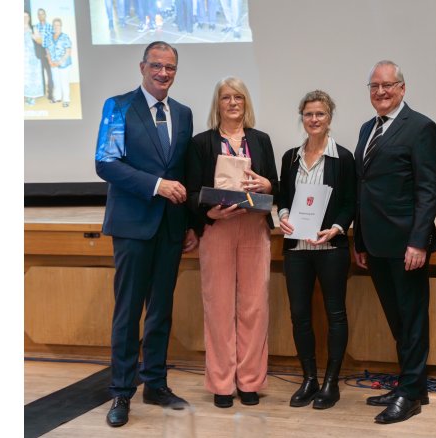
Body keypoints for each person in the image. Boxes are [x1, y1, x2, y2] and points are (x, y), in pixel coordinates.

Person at [95, 41, 198, 428]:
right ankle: (121, 390)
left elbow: (184, 175)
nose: (163, 73)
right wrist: (156, 185)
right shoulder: (118, 106)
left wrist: (189, 225)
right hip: (132, 227)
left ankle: (155, 383)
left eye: (170, 67)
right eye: (156, 65)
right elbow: (105, 162)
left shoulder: (184, 114)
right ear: (142, 67)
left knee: (161, 311)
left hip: (170, 229)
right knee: (128, 312)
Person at [353, 60, 436, 424]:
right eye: (374, 86)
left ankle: (410, 394)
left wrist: (418, 242)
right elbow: (364, 188)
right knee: (397, 320)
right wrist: (358, 241)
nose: (380, 92)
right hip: (374, 243)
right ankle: (412, 385)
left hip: (407, 245)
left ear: (402, 88)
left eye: (388, 86)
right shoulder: (366, 128)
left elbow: (427, 189)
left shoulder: (420, 127)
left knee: (412, 319)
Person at [184, 76, 278, 409]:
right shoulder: (201, 143)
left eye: (239, 97)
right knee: (219, 308)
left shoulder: (261, 140)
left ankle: (250, 381)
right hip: (218, 231)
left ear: (246, 102)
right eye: (226, 98)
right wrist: (211, 214)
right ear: (218, 104)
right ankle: (222, 384)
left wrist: (267, 185)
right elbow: (192, 193)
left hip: (254, 229)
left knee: (254, 307)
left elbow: (275, 187)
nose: (233, 103)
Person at [278, 90, 356, 410]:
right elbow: (283, 198)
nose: (314, 120)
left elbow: (351, 201)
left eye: (320, 114)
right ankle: (309, 378)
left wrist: (336, 228)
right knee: (300, 316)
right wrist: (283, 217)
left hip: (331, 248)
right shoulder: (289, 157)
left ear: (329, 118)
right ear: (302, 118)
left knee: (335, 314)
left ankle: (331, 383)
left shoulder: (344, 158)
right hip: (296, 248)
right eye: (309, 114)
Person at [46, 18, 73, 108]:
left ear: (61, 26)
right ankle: (57, 97)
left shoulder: (65, 37)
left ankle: (66, 100)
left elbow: (68, 52)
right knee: (56, 82)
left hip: (64, 64)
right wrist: (50, 60)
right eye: (54, 25)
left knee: (64, 82)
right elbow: (47, 49)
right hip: (53, 64)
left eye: (58, 25)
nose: (56, 27)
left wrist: (59, 62)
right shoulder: (49, 37)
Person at [23, 12, 44, 106]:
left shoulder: (34, 28)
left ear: (29, 17)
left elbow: (40, 41)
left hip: (33, 58)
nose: (25, 18)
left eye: (26, 16)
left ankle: (31, 98)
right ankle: (26, 95)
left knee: (32, 78)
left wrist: (35, 38)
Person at [36, 9, 54, 102]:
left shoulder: (50, 27)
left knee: (50, 74)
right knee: (40, 74)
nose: (40, 16)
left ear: (45, 15)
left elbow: (51, 41)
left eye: (42, 14)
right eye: (39, 15)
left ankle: (50, 93)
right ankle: (41, 92)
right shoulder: (35, 27)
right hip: (38, 53)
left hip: (47, 52)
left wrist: (49, 54)